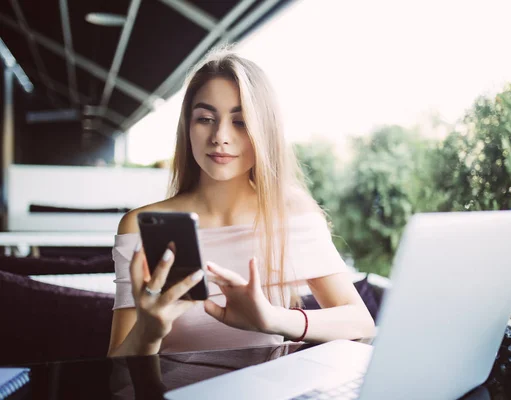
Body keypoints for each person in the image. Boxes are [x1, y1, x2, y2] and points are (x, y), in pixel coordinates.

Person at [107, 47, 375, 357]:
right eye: (205, 118)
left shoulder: (291, 214)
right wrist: (149, 332)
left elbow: (360, 322)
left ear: (265, 131)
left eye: (241, 122)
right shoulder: (140, 226)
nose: (220, 136)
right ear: (187, 127)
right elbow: (117, 370)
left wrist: (270, 318)